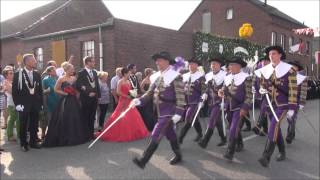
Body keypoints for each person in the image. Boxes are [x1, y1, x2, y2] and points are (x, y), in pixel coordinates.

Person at [132, 51, 186, 169]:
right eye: (156, 60)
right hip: (159, 111)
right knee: (171, 134)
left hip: (169, 111)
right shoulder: (157, 76)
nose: (157, 62)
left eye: (160, 60)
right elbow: (150, 93)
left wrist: (179, 113)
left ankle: (143, 160)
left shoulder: (175, 76)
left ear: (167, 62)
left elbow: (181, 95)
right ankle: (179, 155)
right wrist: (139, 101)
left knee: (156, 132)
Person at [257, 46, 298, 167]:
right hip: (270, 104)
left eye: (274, 53)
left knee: (273, 125)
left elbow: (293, 90)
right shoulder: (265, 70)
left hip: (283, 104)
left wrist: (292, 108)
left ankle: (266, 156)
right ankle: (282, 151)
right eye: (270, 54)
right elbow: (262, 85)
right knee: (276, 129)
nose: (271, 56)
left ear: (280, 55)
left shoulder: (290, 70)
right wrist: (261, 90)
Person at [95, 67, 149, 142]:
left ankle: (134, 132)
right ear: (125, 74)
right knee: (120, 116)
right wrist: (127, 96)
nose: (130, 74)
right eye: (129, 73)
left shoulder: (129, 82)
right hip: (123, 101)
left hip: (129, 101)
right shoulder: (120, 81)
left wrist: (133, 94)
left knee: (133, 116)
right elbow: (118, 92)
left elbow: (130, 90)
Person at [44, 63, 89, 147]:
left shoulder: (74, 78)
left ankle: (75, 136)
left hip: (74, 100)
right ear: (67, 70)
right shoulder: (61, 79)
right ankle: (65, 137)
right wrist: (64, 93)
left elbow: (77, 89)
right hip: (65, 101)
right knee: (65, 117)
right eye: (71, 69)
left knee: (75, 117)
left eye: (73, 69)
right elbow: (55, 89)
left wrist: (77, 95)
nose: (73, 71)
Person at [218, 56, 252, 161]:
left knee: (232, 129)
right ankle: (240, 143)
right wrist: (221, 92)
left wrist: (245, 108)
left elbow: (249, 95)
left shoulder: (246, 77)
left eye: (233, 65)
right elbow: (224, 89)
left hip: (239, 107)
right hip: (229, 106)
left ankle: (230, 152)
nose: (230, 67)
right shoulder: (227, 76)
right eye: (229, 65)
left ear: (239, 66)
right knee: (235, 128)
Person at [12, 54, 43, 152]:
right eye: (33, 60)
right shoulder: (18, 74)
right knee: (23, 124)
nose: (35, 62)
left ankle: (33, 142)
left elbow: (40, 90)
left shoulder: (37, 74)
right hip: (23, 104)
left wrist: (40, 103)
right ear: (27, 62)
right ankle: (23, 143)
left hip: (35, 104)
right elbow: (15, 91)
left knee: (34, 124)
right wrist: (17, 104)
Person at [198, 55, 227, 149]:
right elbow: (208, 88)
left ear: (219, 65)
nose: (212, 66)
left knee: (211, 120)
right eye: (211, 64)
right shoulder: (208, 75)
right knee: (217, 121)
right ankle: (224, 139)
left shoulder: (225, 75)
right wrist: (205, 94)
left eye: (215, 64)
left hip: (219, 102)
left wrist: (225, 101)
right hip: (211, 102)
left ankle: (205, 140)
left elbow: (227, 88)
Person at [178, 57, 206, 144]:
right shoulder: (185, 75)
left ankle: (180, 138)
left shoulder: (201, 76)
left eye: (193, 64)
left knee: (188, 118)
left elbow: (204, 89)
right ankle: (200, 134)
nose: (191, 65)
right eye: (190, 64)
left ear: (197, 65)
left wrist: (203, 98)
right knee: (194, 118)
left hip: (195, 101)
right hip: (185, 101)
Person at [76, 56, 100, 139]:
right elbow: (78, 85)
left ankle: (91, 133)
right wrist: (88, 93)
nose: (94, 63)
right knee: (85, 116)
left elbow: (97, 85)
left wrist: (98, 95)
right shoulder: (81, 73)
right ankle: (85, 134)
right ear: (87, 63)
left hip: (94, 98)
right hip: (86, 98)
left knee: (92, 116)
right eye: (92, 62)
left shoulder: (94, 72)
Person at [285, 60, 307, 144]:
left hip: (296, 101)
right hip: (287, 100)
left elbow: (304, 91)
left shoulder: (302, 78)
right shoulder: (287, 76)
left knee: (292, 117)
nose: (292, 67)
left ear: (297, 68)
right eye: (291, 66)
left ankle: (289, 135)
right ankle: (292, 133)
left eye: (294, 66)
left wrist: (301, 103)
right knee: (289, 118)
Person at [252, 56, 271, 136]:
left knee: (264, 108)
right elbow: (254, 79)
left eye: (266, 60)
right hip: (259, 94)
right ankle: (265, 129)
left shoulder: (272, 70)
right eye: (263, 60)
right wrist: (253, 87)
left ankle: (258, 126)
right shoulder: (258, 70)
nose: (264, 62)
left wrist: (268, 88)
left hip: (269, 94)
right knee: (263, 111)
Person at [41, 66, 59, 139]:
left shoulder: (58, 78)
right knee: (49, 118)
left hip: (58, 101)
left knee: (57, 118)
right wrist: (46, 91)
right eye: (53, 70)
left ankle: (56, 133)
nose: (55, 71)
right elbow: (41, 91)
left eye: (55, 70)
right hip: (49, 102)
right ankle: (47, 134)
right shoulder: (45, 80)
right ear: (49, 72)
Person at [3, 66, 19, 141]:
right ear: (6, 75)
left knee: (18, 119)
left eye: (13, 73)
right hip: (11, 104)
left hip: (17, 103)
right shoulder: (6, 82)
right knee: (12, 119)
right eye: (10, 73)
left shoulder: (14, 81)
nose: (13, 74)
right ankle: (10, 135)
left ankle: (19, 134)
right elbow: (13, 92)